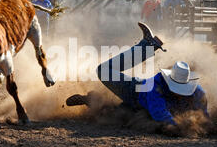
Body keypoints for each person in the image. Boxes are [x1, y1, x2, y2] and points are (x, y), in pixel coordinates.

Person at [66, 22, 208, 127]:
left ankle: (93, 100)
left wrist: (207, 124)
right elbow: (161, 115)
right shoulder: (156, 88)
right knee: (103, 71)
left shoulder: (198, 94)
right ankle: (147, 45)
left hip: (143, 107)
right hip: (136, 91)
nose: (180, 93)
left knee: (119, 116)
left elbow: (204, 116)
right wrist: (184, 127)